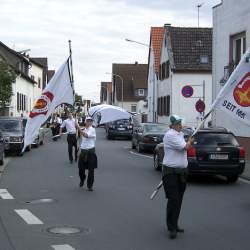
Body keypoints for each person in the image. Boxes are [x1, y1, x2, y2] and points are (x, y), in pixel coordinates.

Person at [162, 115, 193, 239]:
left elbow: (185, 147)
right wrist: (190, 141)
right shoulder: (170, 135)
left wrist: (188, 140)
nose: (180, 125)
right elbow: (186, 147)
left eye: (180, 122)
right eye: (177, 123)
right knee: (173, 199)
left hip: (182, 172)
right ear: (171, 125)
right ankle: (171, 227)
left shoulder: (179, 134)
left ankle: (175, 223)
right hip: (171, 173)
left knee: (179, 200)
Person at [77, 116, 97, 191]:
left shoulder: (92, 129)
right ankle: (82, 179)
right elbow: (83, 141)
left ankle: (90, 186)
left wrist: (78, 128)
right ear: (85, 122)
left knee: (91, 170)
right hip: (83, 151)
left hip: (91, 152)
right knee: (81, 170)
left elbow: (86, 135)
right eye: (88, 121)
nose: (89, 122)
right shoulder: (84, 129)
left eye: (90, 121)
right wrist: (79, 149)